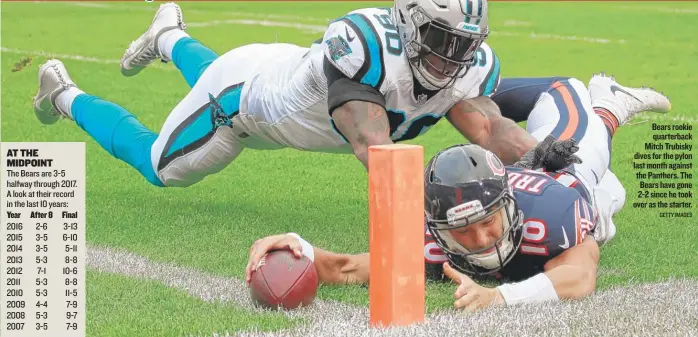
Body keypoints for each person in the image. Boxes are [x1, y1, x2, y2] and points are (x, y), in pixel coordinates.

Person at [245, 74, 671, 311]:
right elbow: (348, 269)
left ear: (507, 204)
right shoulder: (432, 242)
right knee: (614, 199)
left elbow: (579, 274)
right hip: (581, 199)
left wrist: (498, 296)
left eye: (488, 221)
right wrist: (296, 246)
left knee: (588, 150)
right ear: (438, 229)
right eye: (463, 230)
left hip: (560, 168)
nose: (483, 239)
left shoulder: (552, 212)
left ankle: (608, 104)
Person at [31, 0, 538, 188]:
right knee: (159, 168)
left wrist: (545, 158)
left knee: (219, 70)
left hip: (271, 71)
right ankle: (64, 95)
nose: (452, 58)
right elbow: (378, 153)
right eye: (441, 40)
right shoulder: (367, 49)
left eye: (465, 45)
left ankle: (167, 35)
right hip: (239, 108)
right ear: (408, 25)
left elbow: (491, 128)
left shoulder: (468, 71)